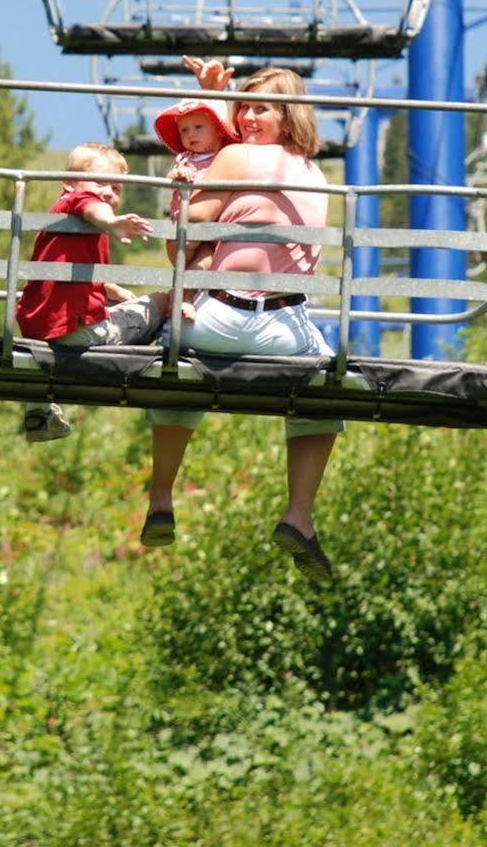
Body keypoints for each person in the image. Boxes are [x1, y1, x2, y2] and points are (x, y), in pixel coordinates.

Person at [140, 57, 342, 584]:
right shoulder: (313, 171)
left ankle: (161, 497)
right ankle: (299, 513)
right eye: (245, 106)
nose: (248, 117)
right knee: (325, 392)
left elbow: (183, 231)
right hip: (288, 328)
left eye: (261, 108)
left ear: (288, 115)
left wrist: (186, 206)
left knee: (176, 365)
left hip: (219, 317)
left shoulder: (235, 157)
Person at [13, 143, 159, 443]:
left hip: (38, 329)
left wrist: (110, 289)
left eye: (117, 188)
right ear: (68, 184)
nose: (107, 193)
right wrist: (111, 221)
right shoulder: (78, 205)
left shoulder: (60, 221)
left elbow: (69, 274)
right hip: (79, 332)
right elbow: (90, 203)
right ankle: (161, 356)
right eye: (100, 183)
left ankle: (39, 412)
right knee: (162, 302)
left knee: (119, 304)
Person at [150, 96, 239, 290]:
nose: (191, 135)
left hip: (216, 230)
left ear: (219, 130)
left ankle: (184, 297)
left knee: (207, 262)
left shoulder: (225, 158)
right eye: (184, 130)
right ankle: (184, 296)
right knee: (188, 260)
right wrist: (177, 174)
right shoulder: (185, 158)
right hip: (184, 225)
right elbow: (170, 178)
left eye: (198, 128)